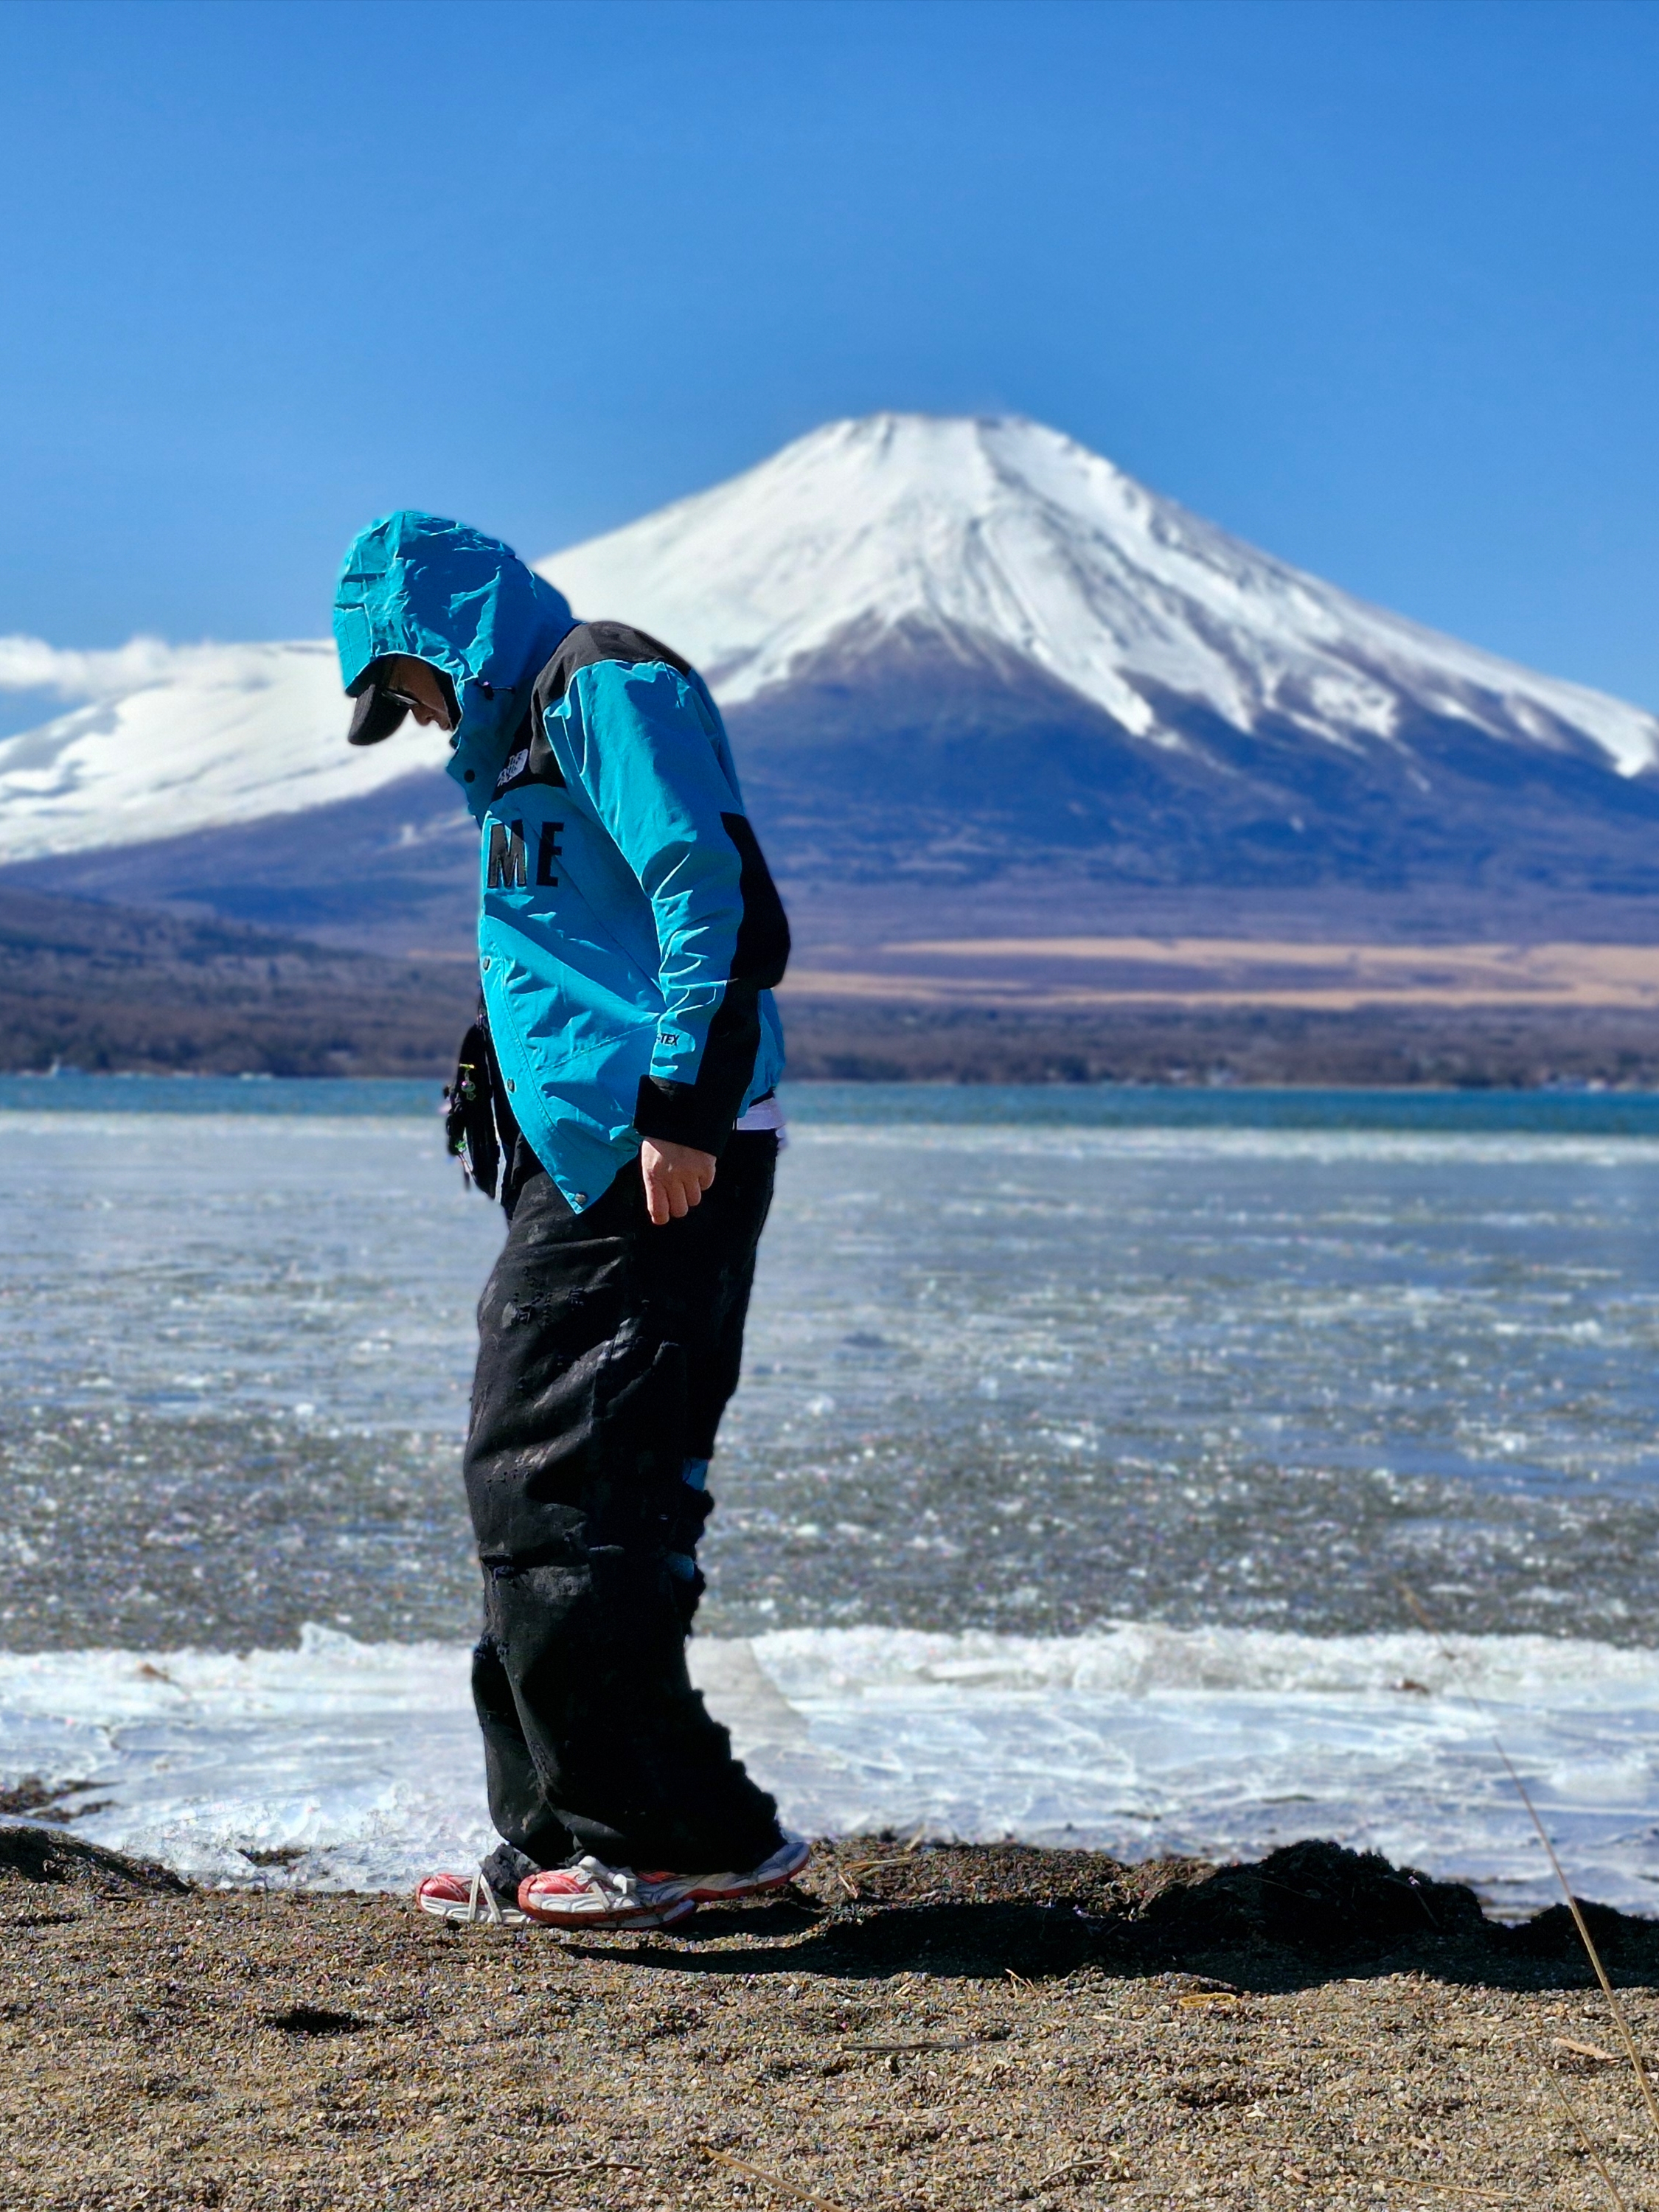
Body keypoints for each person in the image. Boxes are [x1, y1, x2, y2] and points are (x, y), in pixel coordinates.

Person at [332, 510, 806, 1929]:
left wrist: (681, 1107)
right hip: (587, 1146)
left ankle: (668, 1837)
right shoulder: (517, 744)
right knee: (545, 1484)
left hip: (654, 1151)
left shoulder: (602, 685)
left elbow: (704, 887)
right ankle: (555, 1825)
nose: (409, 721)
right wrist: (499, 1055)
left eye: (401, 688)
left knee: (564, 1484)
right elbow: (580, 933)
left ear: (437, 636)